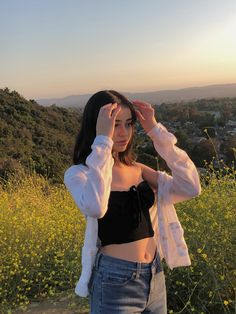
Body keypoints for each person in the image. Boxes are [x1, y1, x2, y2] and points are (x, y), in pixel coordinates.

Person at [64, 90, 201, 314]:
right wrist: (102, 143)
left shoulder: (137, 169)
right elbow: (96, 207)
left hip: (155, 276)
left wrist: (156, 132)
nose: (123, 133)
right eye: (114, 124)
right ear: (97, 128)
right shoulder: (80, 174)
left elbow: (191, 187)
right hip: (114, 282)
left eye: (128, 124)